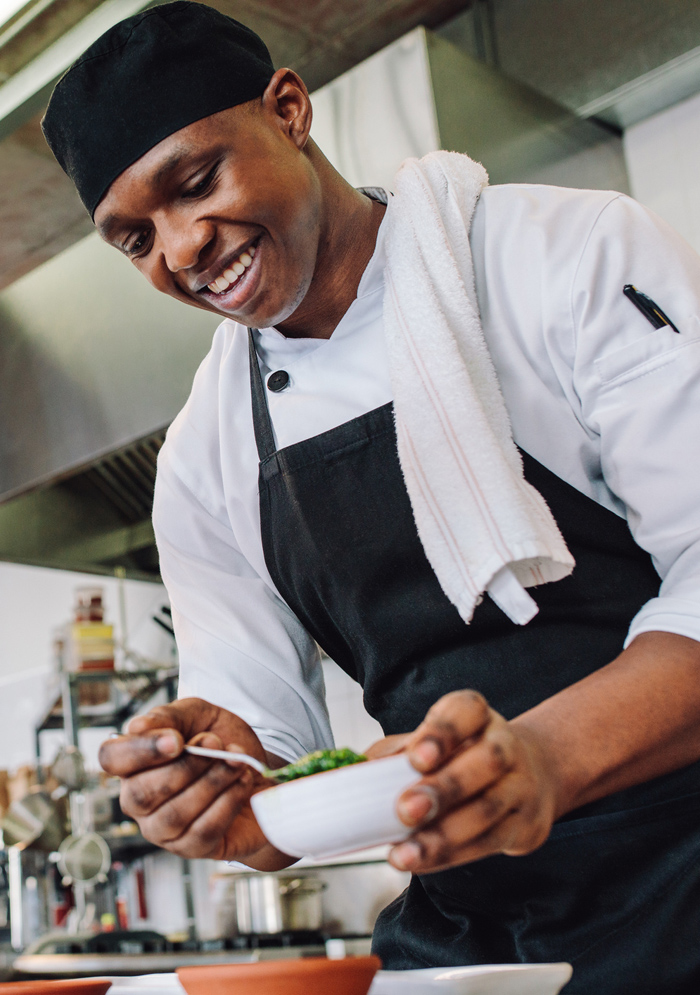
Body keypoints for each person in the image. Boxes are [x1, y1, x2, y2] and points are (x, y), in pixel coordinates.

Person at [41, 2, 700, 991]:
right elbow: (265, 746)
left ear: (291, 110)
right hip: (466, 926)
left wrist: (542, 759)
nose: (179, 250)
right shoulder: (203, 457)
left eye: (194, 181)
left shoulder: (562, 259)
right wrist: (218, 786)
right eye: (135, 239)